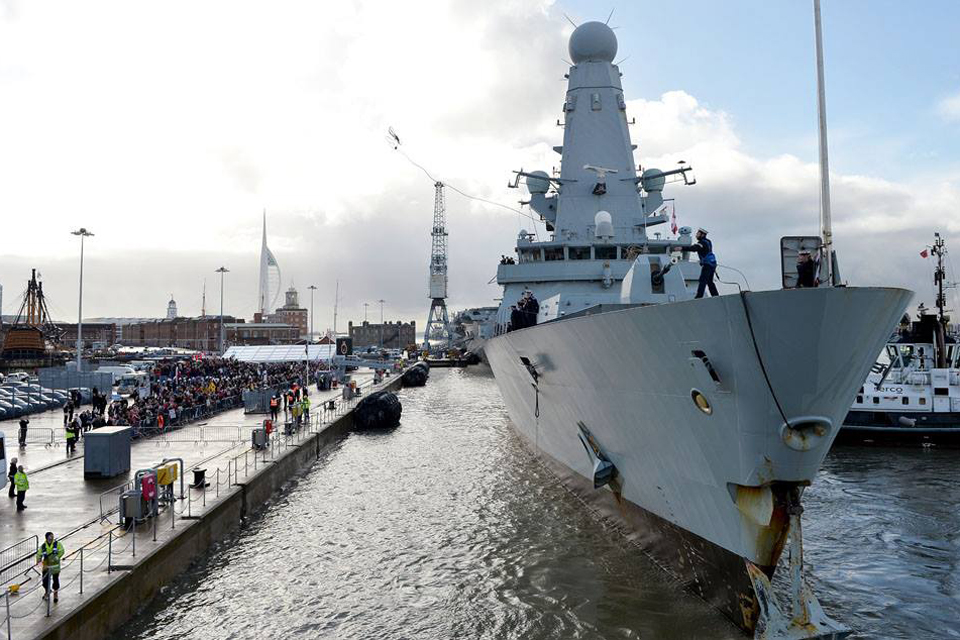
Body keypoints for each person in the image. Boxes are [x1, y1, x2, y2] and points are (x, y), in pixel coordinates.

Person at [683, 227, 719, 299]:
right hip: (713, 264)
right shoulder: (708, 241)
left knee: (703, 280)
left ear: (702, 235)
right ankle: (716, 296)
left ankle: (699, 297)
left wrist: (682, 248)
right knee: (710, 282)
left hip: (707, 264)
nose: (696, 235)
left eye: (698, 234)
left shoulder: (702, 243)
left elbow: (695, 248)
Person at [35, 532, 64, 603]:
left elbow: (62, 551)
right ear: (47, 538)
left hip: (55, 567)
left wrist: (57, 557)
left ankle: (55, 594)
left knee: (55, 581)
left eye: (52, 537)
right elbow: (39, 555)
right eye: (50, 537)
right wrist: (39, 563)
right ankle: (47, 591)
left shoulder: (58, 544)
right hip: (46, 567)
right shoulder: (43, 546)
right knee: (45, 582)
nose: (51, 538)